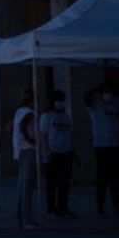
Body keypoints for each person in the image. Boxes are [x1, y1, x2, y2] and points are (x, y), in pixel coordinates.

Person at [85, 81, 119, 216]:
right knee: (102, 179)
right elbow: (85, 97)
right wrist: (97, 88)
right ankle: (100, 208)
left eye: (110, 91)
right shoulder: (96, 105)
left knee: (116, 179)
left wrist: (117, 88)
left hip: (116, 145)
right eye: (105, 92)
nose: (108, 94)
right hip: (101, 146)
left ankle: (117, 206)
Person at [39, 89, 76, 219]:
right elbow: (43, 136)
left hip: (66, 152)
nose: (60, 103)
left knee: (64, 182)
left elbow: (71, 134)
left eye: (62, 100)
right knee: (52, 183)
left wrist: (73, 150)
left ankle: (63, 208)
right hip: (53, 153)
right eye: (58, 100)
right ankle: (51, 209)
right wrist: (46, 153)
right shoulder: (46, 116)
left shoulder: (66, 116)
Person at [11, 88, 39, 230]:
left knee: (22, 185)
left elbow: (9, 127)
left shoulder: (19, 111)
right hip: (28, 149)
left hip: (20, 150)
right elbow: (23, 126)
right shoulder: (29, 113)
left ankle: (20, 215)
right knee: (27, 185)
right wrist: (30, 140)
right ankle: (27, 219)